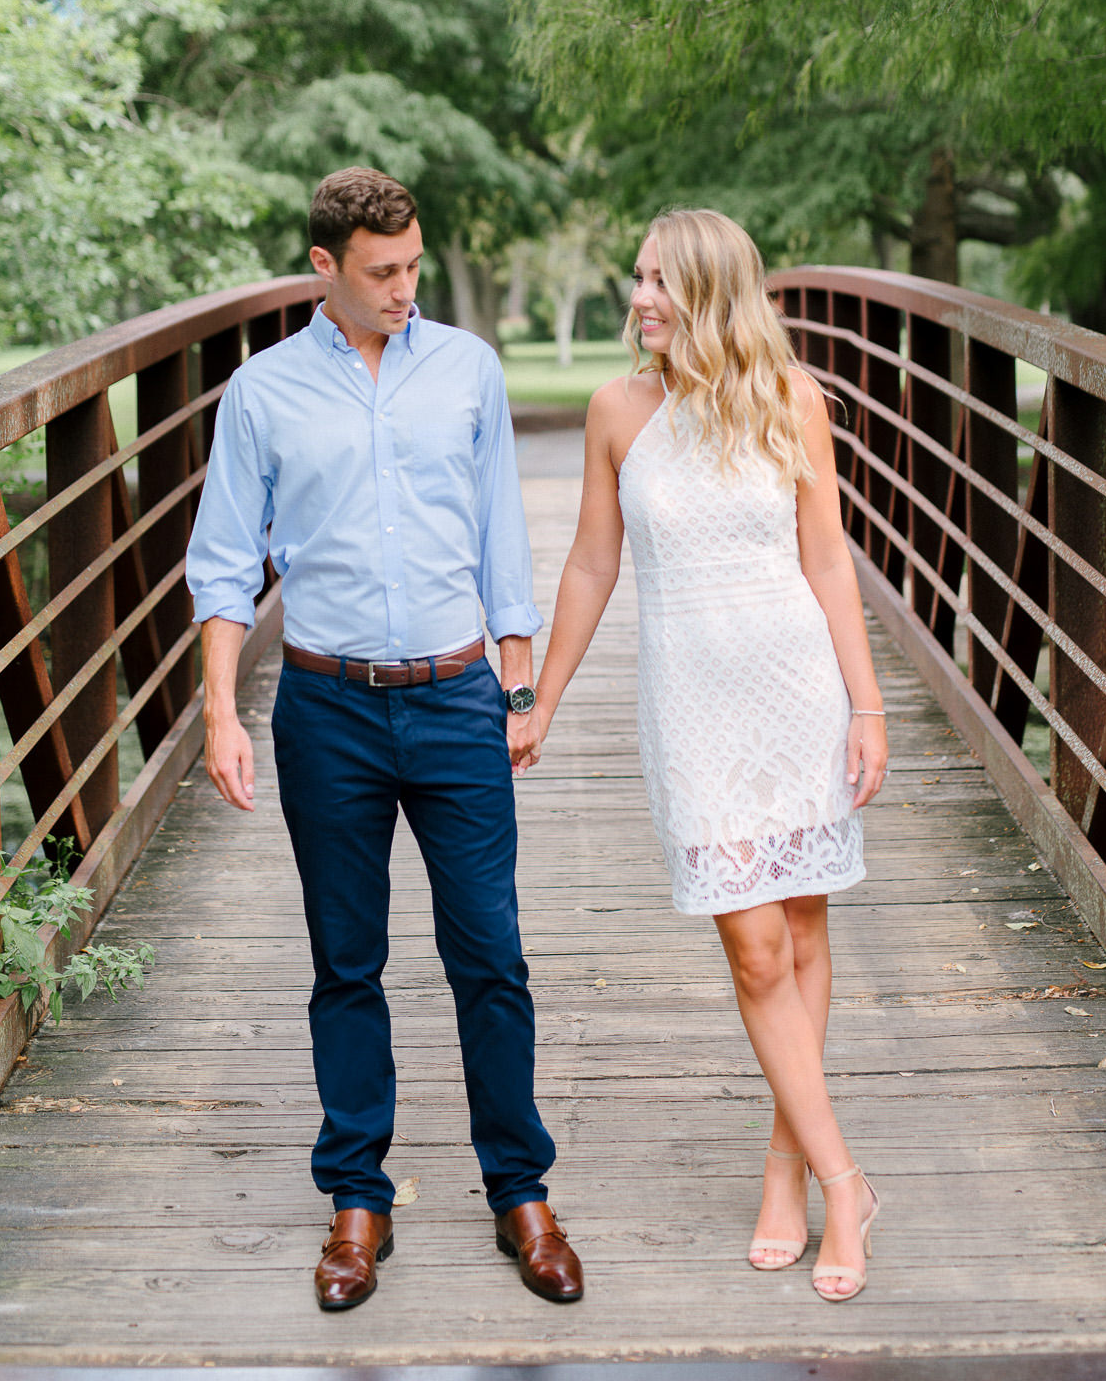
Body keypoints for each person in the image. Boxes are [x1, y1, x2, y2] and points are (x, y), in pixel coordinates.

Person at [185, 166, 583, 1312]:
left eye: (413, 264)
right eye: (382, 272)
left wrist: (517, 681)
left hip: (457, 696)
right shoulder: (260, 394)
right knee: (343, 963)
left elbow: (502, 527)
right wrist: (223, 709)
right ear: (325, 268)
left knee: (490, 956)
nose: (406, 286)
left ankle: (521, 1189)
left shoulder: (466, 369)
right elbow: (221, 565)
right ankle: (357, 1198)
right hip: (328, 708)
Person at [516, 208, 890, 1303]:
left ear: (713, 293)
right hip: (691, 706)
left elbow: (826, 559)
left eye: (660, 281)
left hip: (793, 691)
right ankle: (844, 1176)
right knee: (754, 946)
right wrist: (539, 691)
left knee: (804, 927)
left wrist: (865, 705)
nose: (639, 298)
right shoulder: (615, 411)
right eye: (636, 277)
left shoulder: (791, 401)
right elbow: (591, 563)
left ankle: (791, 1169)